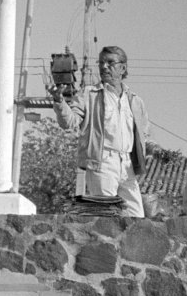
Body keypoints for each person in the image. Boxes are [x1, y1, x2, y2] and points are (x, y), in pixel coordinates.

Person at [51, 46, 159, 218]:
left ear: (123, 68)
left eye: (110, 63)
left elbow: (143, 136)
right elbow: (69, 122)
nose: (104, 67)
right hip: (102, 161)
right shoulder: (89, 94)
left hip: (127, 164)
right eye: (101, 62)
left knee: (137, 216)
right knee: (106, 217)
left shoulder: (135, 100)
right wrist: (59, 101)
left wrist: (155, 150)